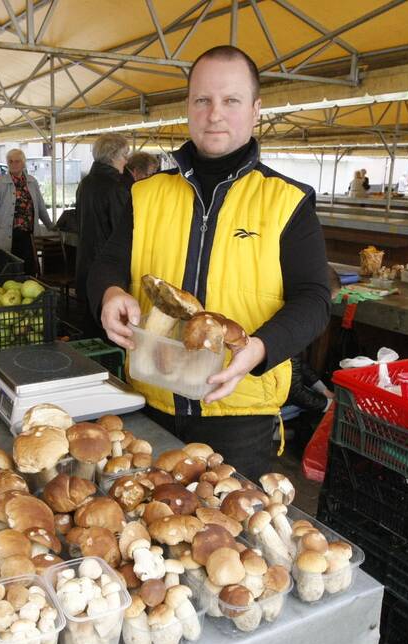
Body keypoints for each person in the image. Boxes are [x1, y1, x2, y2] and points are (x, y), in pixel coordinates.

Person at [88, 45, 332, 480]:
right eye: (202, 100)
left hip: (238, 413)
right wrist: (109, 293)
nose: (214, 113)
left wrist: (260, 348)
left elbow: (314, 299)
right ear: (188, 107)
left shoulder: (288, 201)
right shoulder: (145, 194)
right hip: (148, 401)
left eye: (231, 100)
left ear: (256, 110)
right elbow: (106, 263)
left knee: (228, 539)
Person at [75, 134, 131, 337]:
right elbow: (122, 233)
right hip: (107, 268)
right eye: (125, 155)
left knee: (90, 325)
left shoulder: (86, 183)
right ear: (115, 156)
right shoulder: (117, 187)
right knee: (109, 328)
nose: (126, 160)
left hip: (85, 261)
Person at [0, 148, 55, 274]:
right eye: (10, 161)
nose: (14, 164)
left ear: (23, 163)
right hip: (8, 236)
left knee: (29, 271)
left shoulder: (32, 181)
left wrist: (50, 225)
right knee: (9, 272)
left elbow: (40, 207)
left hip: (28, 236)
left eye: (17, 161)